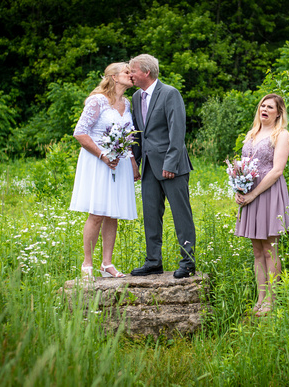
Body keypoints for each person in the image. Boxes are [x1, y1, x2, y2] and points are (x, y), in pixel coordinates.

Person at [69, 62, 141, 280]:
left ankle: (107, 264)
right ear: (112, 77)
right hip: (98, 161)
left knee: (113, 213)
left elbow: (127, 138)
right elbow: (80, 133)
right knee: (98, 212)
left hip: (120, 163)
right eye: (127, 72)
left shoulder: (127, 103)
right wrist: (103, 155)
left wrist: (132, 163)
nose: (131, 75)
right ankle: (87, 264)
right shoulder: (97, 101)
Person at [128, 54, 196, 279]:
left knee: (181, 214)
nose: (130, 75)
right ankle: (153, 261)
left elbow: (177, 130)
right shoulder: (136, 97)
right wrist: (134, 163)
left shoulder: (170, 93)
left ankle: (187, 261)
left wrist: (171, 163)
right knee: (150, 215)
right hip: (148, 167)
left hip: (172, 166)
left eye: (133, 71)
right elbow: (138, 133)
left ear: (146, 72)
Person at [235, 94, 289, 317]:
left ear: (278, 113)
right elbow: (243, 166)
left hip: (268, 193)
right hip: (249, 193)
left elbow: (277, 170)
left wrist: (254, 193)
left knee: (270, 249)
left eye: (270, 107)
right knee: (257, 251)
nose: (265, 109)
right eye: (262, 105)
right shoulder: (252, 134)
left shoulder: (281, 135)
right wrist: (240, 189)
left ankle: (272, 299)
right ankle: (260, 298)